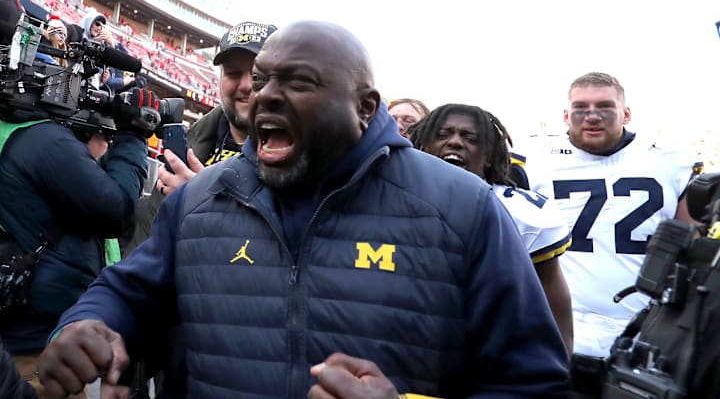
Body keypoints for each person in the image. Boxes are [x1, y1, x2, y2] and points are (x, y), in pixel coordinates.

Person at [38, 20, 569, 398]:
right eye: (264, 79)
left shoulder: (462, 207)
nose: (264, 94)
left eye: (299, 81)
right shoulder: (201, 200)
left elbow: (533, 381)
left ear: (364, 107)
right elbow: (126, 292)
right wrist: (86, 324)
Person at [516, 72, 703, 358]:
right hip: (557, 321)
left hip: (646, 323)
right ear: (566, 115)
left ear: (626, 114)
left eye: (604, 107)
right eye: (580, 108)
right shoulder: (534, 159)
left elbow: (693, 251)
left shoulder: (671, 160)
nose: (592, 116)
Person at [0, 87, 160, 398]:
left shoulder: (15, 135)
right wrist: (132, 137)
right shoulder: (43, 142)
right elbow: (115, 211)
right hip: (33, 352)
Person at [410, 103, 574, 355]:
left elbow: (551, 297)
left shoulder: (520, 212)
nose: (454, 142)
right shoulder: (393, 197)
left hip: (490, 350)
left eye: (470, 138)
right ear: (422, 146)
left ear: (488, 156)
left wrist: (561, 363)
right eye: (443, 135)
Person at [123, 21, 277, 255]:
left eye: (257, 75)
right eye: (234, 73)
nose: (246, 85)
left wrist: (200, 202)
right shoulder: (189, 144)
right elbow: (147, 240)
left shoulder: (299, 160)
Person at [80, 11, 135, 92]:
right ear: (89, 23)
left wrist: (111, 45)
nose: (99, 28)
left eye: (102, 26)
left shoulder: (102, 47)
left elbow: (108, 77)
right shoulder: (78, 35)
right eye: (97, 24)